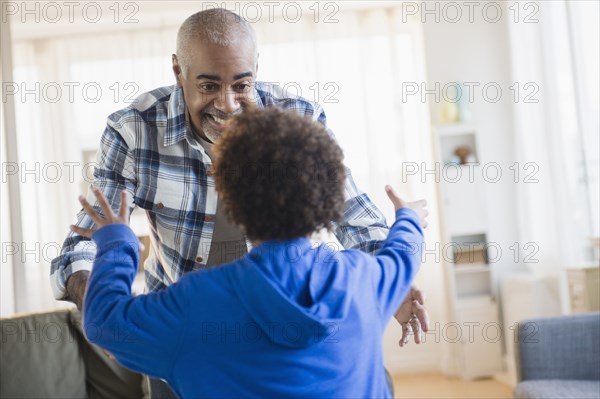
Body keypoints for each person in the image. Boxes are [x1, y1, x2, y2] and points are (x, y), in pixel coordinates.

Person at [51, 7, 429, 397]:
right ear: (179, 71)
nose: (228, 104)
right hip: (192, 334)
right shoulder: (133, 129)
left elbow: (353, 214)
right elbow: (81, 245)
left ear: (256, 70)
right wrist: (92, 293)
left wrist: (117, 263)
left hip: (263, 317)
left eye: (242, 85)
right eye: (210, 86)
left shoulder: (297, 117)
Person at [77, 107, 428, 398]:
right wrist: (409, 216)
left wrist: (117, 242)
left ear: (229, 200)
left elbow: (104, 323)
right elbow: (404, 253)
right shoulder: (365, 278)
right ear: (328, 193)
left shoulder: (195, 302)